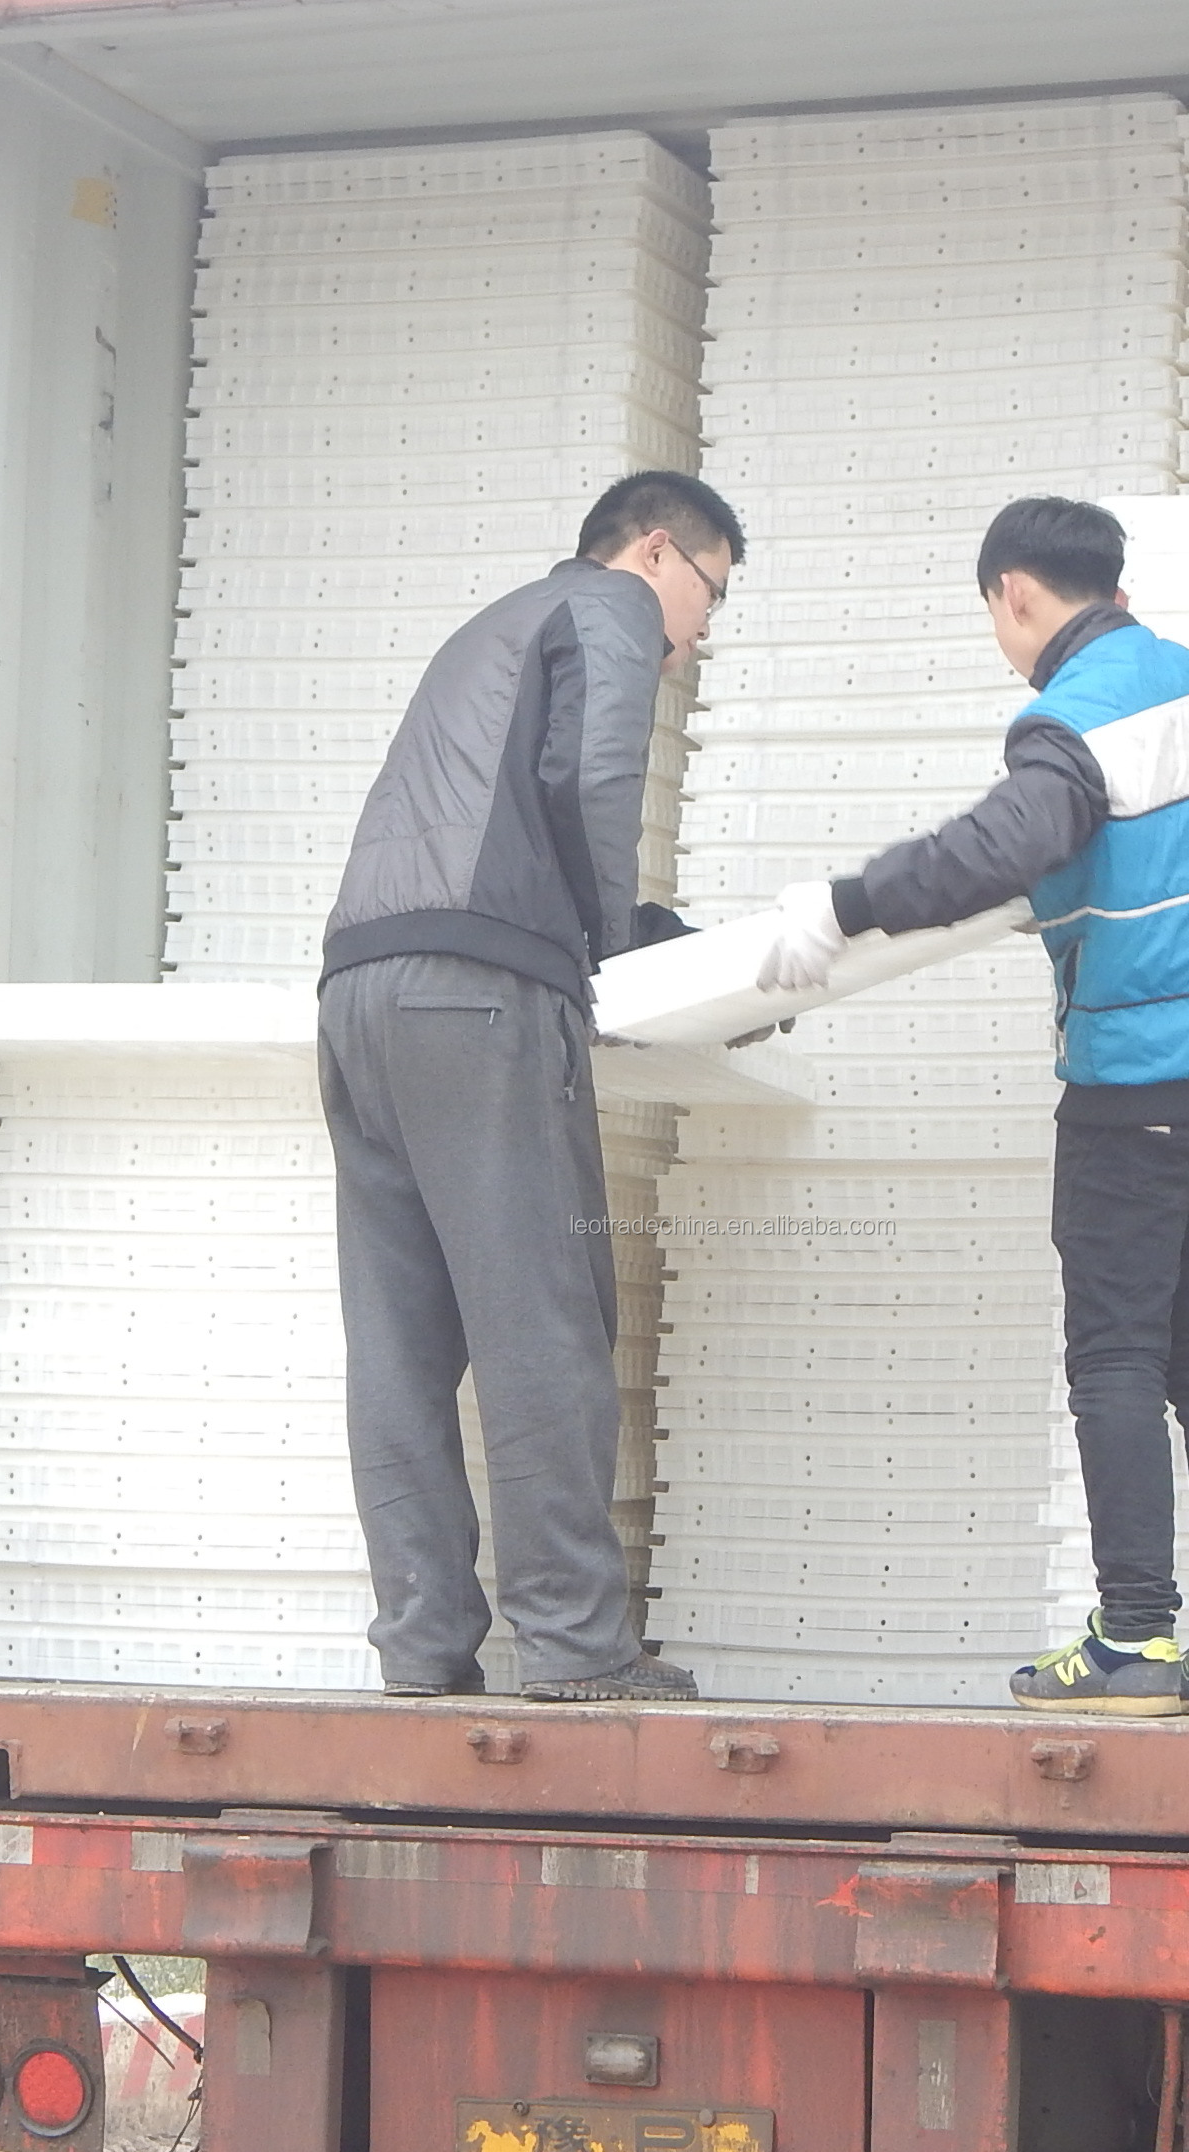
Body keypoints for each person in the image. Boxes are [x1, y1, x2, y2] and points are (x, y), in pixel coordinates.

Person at [755, 496, 1189, 1719]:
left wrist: (839, 907)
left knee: (1117, 1355)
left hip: (1142, 1099)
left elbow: (1001, 846)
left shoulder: (1072, 724)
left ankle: (1134, 1643)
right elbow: (1169, 864)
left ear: (1015, 593)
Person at [318, 472, 744, 1702]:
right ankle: (571, 1647)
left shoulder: (485, 629)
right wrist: (610, 948)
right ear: (658, 551)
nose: (690, 643)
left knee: (399, 1340)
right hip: (479, 993)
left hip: (358, 990)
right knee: (543, 1318)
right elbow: (592, 777)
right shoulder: (606, 608)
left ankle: (421, 1644)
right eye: (705, 603)